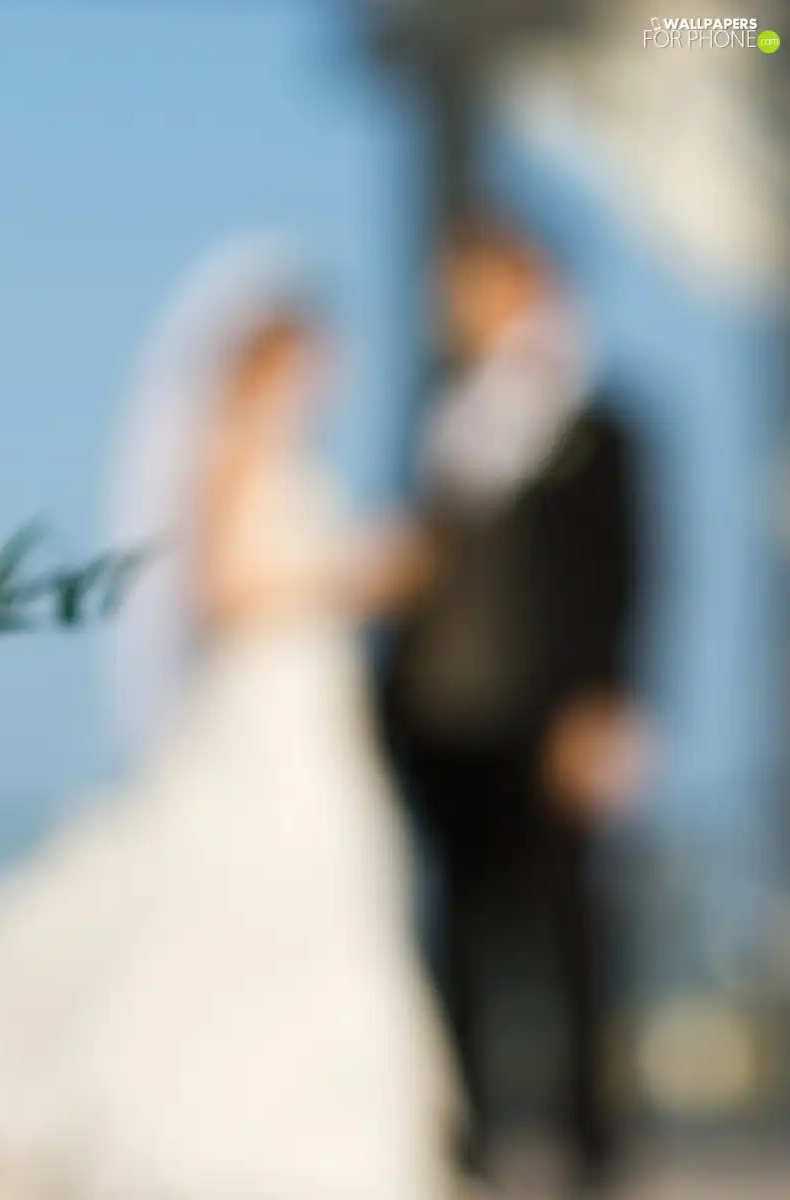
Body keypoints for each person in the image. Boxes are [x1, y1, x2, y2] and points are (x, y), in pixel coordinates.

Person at [0, 239, 457, 1199]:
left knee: (304, 913)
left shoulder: (295, 463)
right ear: (271, 361)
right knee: (225, 896)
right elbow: (224, 590)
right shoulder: (230, 456)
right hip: (258, 710)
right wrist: (354, 576)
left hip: (307, 719)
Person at [379, 210, 646, 1193]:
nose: (452, 305)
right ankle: (474, 1135)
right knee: (462, 933)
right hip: (445, 724)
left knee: (572, 937)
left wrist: (607, 706)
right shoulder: (440, 416)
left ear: (522, 284)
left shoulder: (600, 425)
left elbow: (626, 573)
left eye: (470, 282)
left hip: (552, 722)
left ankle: (592, 1145)